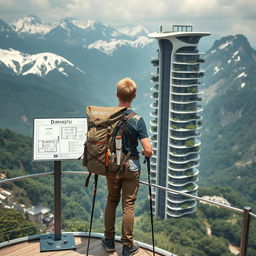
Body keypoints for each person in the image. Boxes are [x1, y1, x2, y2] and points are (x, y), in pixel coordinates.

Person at [101, 78, 153, 256]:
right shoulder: (137, 120)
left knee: (111, 200)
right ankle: (127, 246)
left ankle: (108, 241)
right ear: (134, 96)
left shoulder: (108, 117)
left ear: (117, 95)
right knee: (128, 206)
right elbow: (148, 150)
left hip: (112, 167)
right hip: (130, 168)